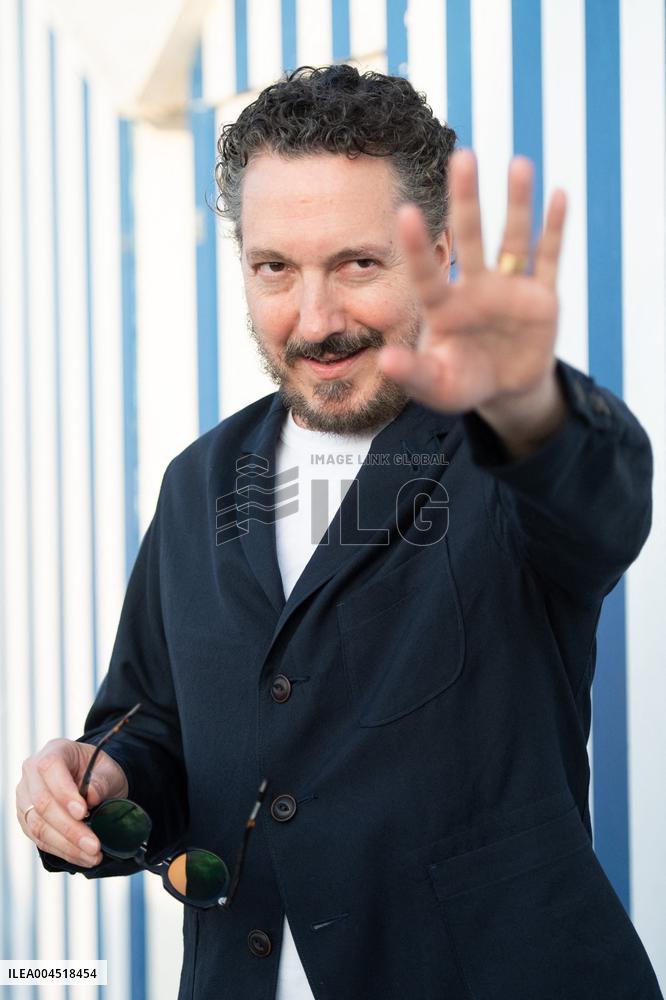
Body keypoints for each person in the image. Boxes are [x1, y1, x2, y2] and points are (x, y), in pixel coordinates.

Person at [15, 65, 663, 1000]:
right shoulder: (198, 480)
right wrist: (100, 778)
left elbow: (600, 501)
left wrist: (529, 402)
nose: (314, 320)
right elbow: (153, 718)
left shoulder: (509, 449)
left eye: (357, 263)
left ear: (440, 251)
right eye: (274, 267)